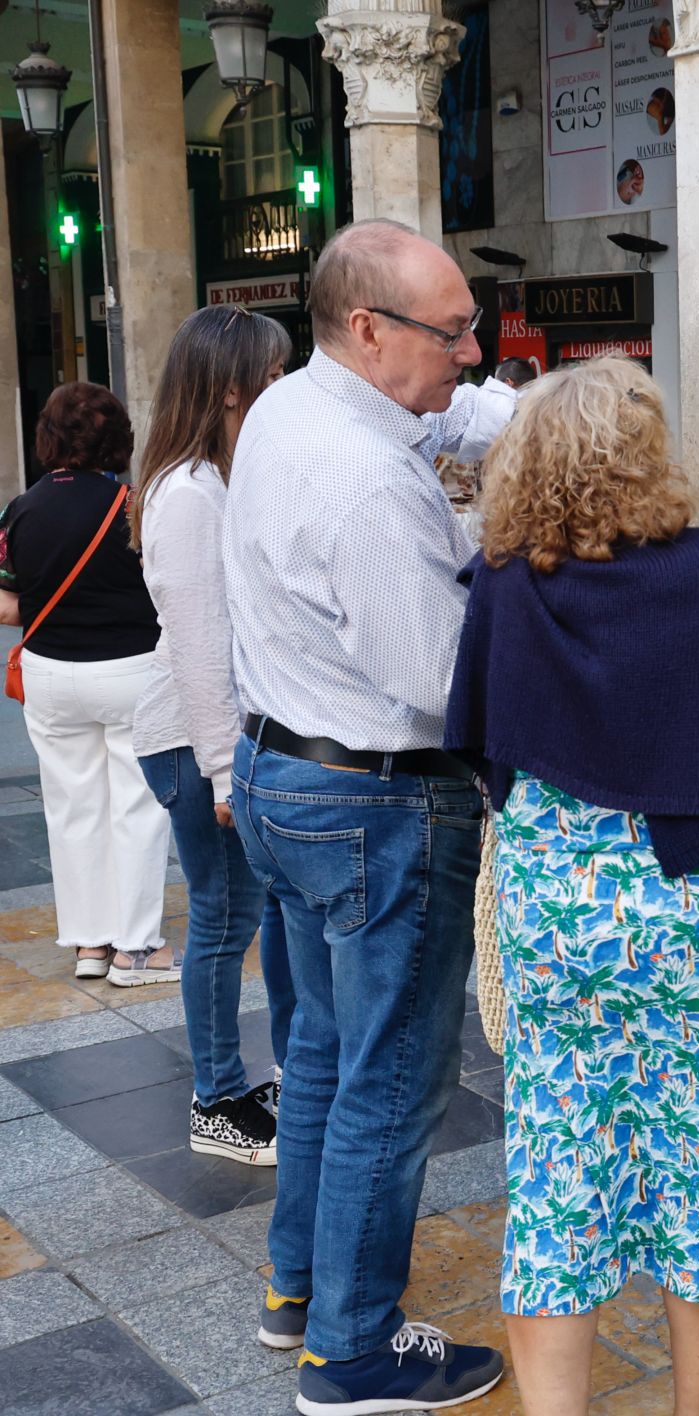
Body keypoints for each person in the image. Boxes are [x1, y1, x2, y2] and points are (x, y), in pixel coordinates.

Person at [443, 358, 699, 1416]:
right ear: (647, 457)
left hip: (559, 929)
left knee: (556, 1179)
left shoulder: (502, 580)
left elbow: (478, 739)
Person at [223, 219, 518, 1414]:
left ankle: (299, 1284)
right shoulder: (362, 480)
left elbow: (457, 414)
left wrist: (561, 417)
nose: (471, 351)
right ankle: (351, 1348)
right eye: (453, 332)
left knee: (329, 1058)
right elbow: (443, 683)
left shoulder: (302, 406)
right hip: (375, 802)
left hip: (284, 779)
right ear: (368, 329)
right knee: (394, 1082)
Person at [128, 305, 295, 1167]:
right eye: (269, 376)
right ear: (228, 388)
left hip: (208, 732)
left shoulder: (209, 479)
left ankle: (230, 1082)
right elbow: (198, 639)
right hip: (195, 734)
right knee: (224, 924)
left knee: (236, 917)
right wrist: (227, 773)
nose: (280, 389)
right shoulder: (187, 493)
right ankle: (216, 1096)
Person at [0, 383, 172, 986]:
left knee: (72, 808)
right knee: (137, 806)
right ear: (118, 439)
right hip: (131, 670)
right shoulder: (137, 504)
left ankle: (89, 946)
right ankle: (136, 950)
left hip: (50, 674)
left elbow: (6, 607)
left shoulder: (20, 509)